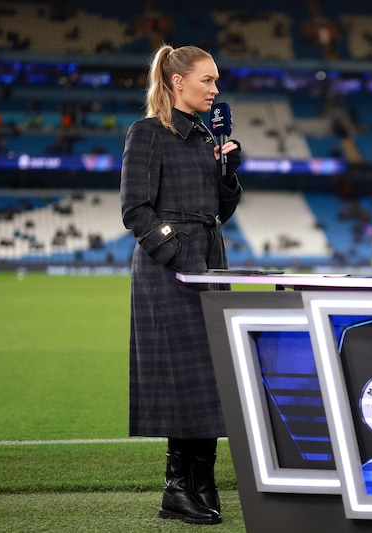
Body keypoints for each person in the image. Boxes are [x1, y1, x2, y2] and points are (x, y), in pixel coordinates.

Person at [120, 44, 243, 525]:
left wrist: (228, 174)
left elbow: (221, 210)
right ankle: (177, 487)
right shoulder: (147, 132)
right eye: (207, 80)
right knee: (182, 378)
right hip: (171, 269)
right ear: (177, 82)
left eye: (216, 81)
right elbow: (135, 209)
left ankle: (203, 480)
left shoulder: (205, 135)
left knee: (211, 375)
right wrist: (178, 257)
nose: (215, 89)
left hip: (211, 261)